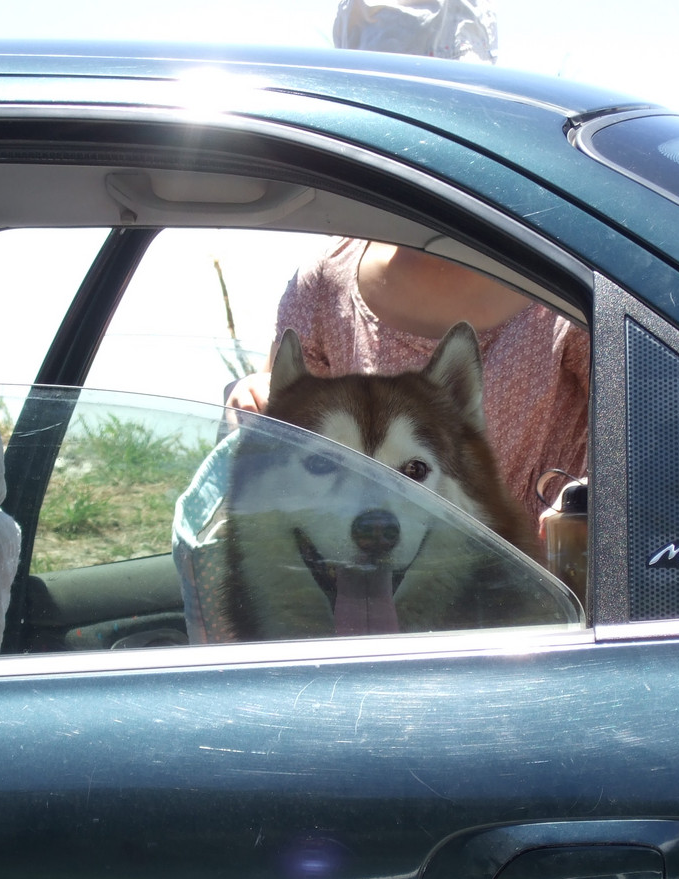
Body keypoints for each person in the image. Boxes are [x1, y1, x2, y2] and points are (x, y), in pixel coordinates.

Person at [224, 0, 588, 533]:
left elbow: (653, 443)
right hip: (373, 575)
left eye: (442, 120)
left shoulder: (560, 285)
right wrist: (252, 400)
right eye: (383, 125)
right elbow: (285, 422)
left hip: (548, 585)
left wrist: (591, 510)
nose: (414, 154)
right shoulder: (325, 285)